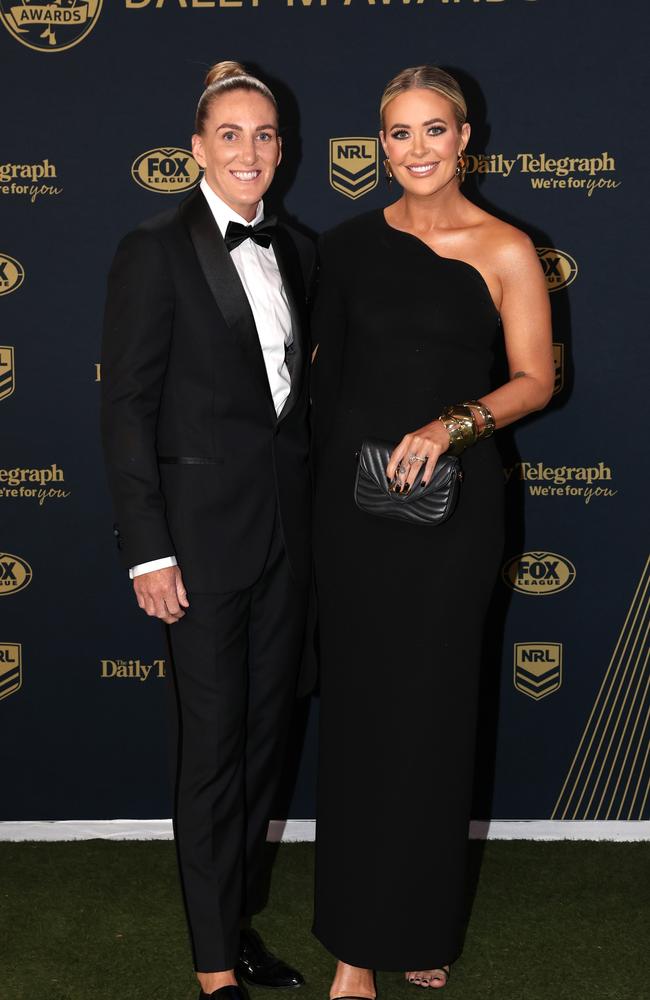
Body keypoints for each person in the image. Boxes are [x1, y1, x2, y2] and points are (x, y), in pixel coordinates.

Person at [311, 66, 553, 996]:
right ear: (381, 145)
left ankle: (418, 922)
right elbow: (315, 383)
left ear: (464, 138)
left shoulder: (506, 248)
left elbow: (535, 379)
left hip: (454, 518)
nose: (416, 149)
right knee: (367, 720)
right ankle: (353, 951)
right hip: (354, 517)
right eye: (399, 134)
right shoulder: (342, 247)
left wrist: (452, 424)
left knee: (436, 719)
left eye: (433, 130)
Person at [101, 61, 315, 1000]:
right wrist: (148, 548)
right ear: (197, 149)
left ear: (282, 149)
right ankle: (213, 968)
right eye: (230, 134)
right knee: (211, 752)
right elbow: (127, 410)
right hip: (193, 552)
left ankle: (239, 921)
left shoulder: (298, 247)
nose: (249, 151)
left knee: (265, 748)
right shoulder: (153, 247)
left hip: (286, 547)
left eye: (264, 135)